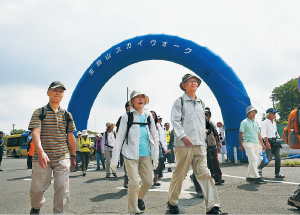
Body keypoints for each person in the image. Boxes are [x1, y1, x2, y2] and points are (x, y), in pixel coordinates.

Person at [168, 73, 227, 215]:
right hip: (184, 145)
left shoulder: (201, 102)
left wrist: (203, 142)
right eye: (190, 81)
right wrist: (182, 136)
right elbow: (175, 121)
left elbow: (201, 124)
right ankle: (172, 202)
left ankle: (212, 207)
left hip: (200, 145)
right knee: (180, 174)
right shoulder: (179, 102)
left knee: (205, 174)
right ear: (184, 85)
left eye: (195, 81)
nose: (194, 83)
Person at [28, 81, 76, 215]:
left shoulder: (67, 115)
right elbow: (35, 132)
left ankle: (59, 213)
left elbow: (71, 137)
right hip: (42, 157)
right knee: (37, 189)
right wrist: (40, 150)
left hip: (62, 156)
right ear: (48, 92)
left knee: (63, 187)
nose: (58, 93)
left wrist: (72, 156)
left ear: (63, 95)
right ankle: (36, 207)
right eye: (55, 90)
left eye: (61, 91)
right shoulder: (39, 112)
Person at [111, 90, 159, 215]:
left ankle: (139, 198)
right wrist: (114, 160)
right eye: (137, 97)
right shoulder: (126, 117)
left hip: (146, 154)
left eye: (142, 97)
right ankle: (133, 210)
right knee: (133, 182)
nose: (140, 99)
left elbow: (155, 136)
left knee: (148, 181)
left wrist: (156, 157)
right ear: (132, 101)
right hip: (130, 154)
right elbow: (120, 138)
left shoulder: (148, 116)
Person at [238, 105, 266, 184]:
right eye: (252, 112)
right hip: (248, 142)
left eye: (255, 112)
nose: (254, 114)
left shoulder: (256, 122)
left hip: (256, 143)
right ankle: (257, 177)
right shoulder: (244, 122)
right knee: (253, 159)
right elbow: (240, 134)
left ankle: (250, 176)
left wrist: (262, 144)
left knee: (254, 160)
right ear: (247, 113)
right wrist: (240, 145)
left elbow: (258, 134)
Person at [258, 108, 284, 178]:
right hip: (268, 141)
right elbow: (263, 134)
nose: (274, 114)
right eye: (273, 113)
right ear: (268, 115)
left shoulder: (274, 123)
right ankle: (259, 168)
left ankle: (277, 173)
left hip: (275, 141)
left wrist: (279, 139)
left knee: (278, 157)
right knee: (268, 158)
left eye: (275, 113)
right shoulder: (264, 123)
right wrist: (267, 143)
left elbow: (275, 132)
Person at [205, 109, 225, 185]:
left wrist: (218, 143)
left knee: (215, 162)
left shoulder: (212, 124)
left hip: (212, 146)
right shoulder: (200, 124)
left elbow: (216, 135)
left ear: (210, 116)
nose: (206, 116)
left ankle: (218, 178)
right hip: (204, 147)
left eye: (207, 115)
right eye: (205, 115)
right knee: (205, 164)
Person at [115, 101, 131, 188]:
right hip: (126, 144)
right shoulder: (122, 118)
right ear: (126, 108)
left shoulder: (138, 117)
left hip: (136, 144)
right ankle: (126, 178)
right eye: (130, 106)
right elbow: (119, 132)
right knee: (127, 162)